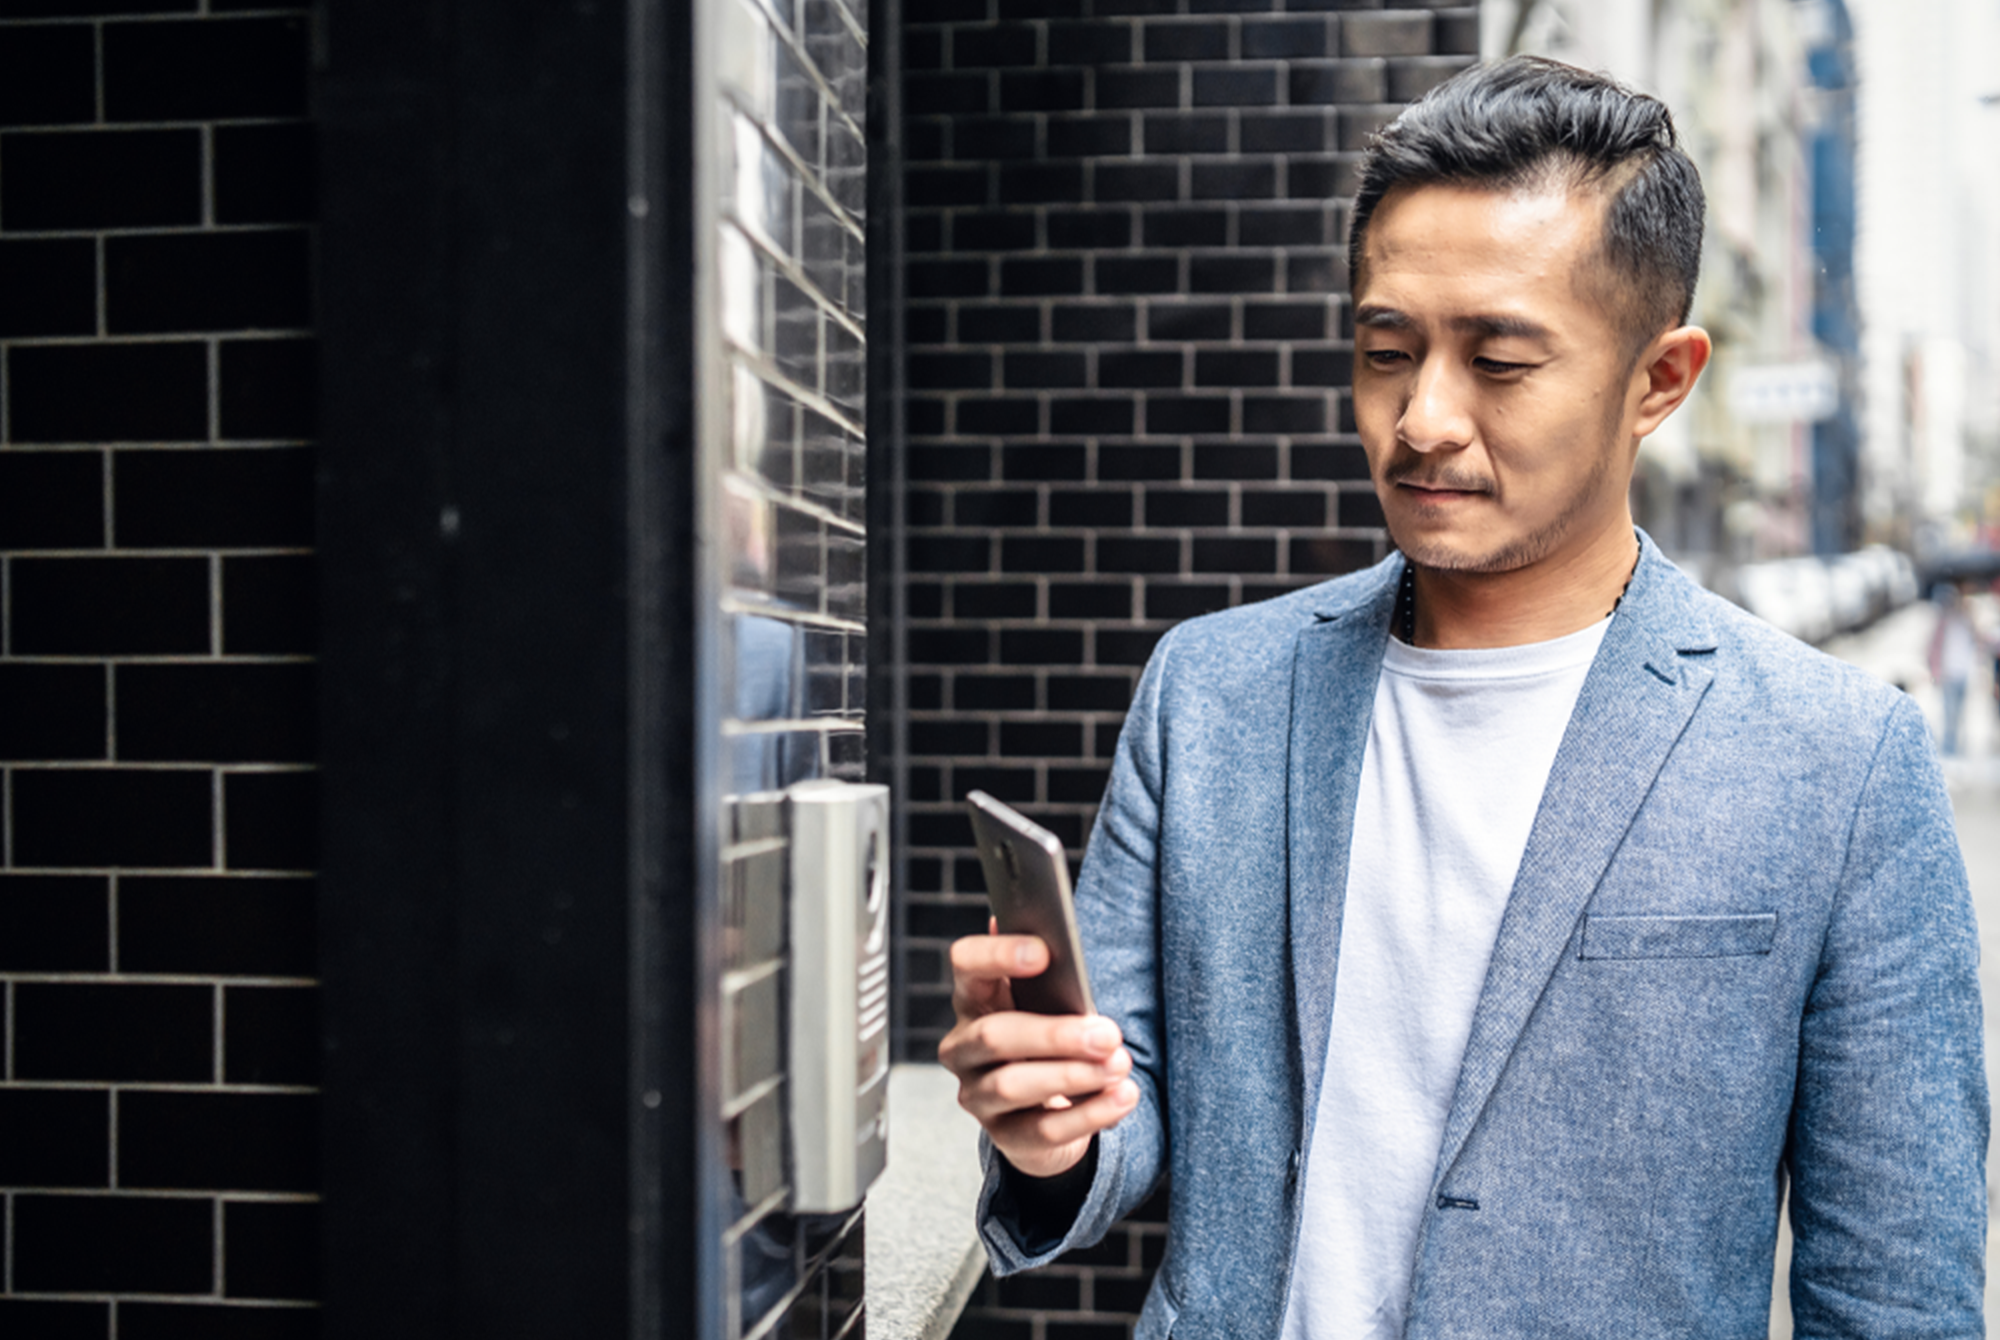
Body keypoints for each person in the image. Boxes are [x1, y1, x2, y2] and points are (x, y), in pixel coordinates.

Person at [939, 57, 1986, 1338]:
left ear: (1658, 379)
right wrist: (1054, 1124)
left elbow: (1893, 1289)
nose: (1420, 418)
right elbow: (1130, 1100)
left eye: (1497, 360)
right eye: (1386, 351)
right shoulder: (1208, 692)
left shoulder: (1839, 760)